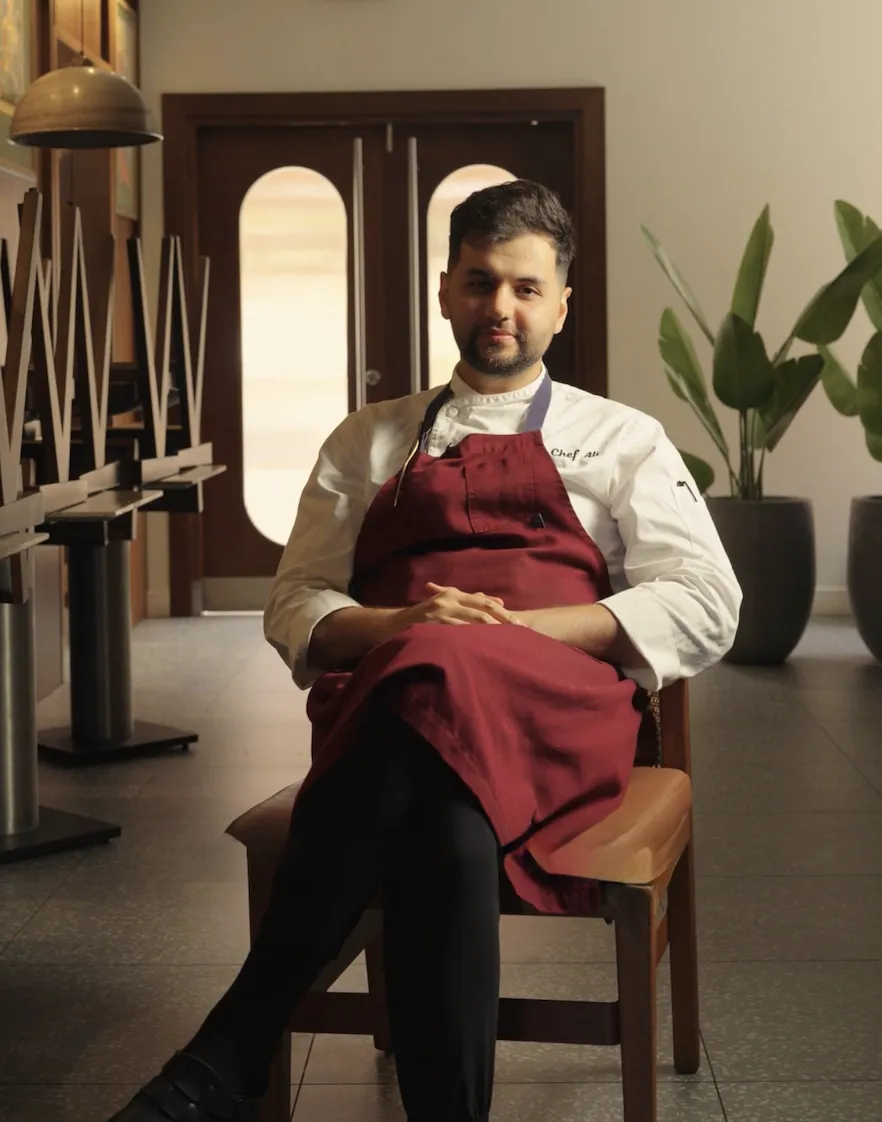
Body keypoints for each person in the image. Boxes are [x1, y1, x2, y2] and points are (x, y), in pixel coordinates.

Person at [109, 180, 741, 1122]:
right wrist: (408, 629)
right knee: (444, 798)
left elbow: (706, 601)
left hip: (556, 711)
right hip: (397, 703)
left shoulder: (622, 439)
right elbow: (296, 605)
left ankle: (232, 1051)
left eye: (527, 289)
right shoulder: (368, 440)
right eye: (481, 283)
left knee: (440, 675)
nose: (501, 308)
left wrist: (511, 634)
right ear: (445, 290)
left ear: (563, 304)